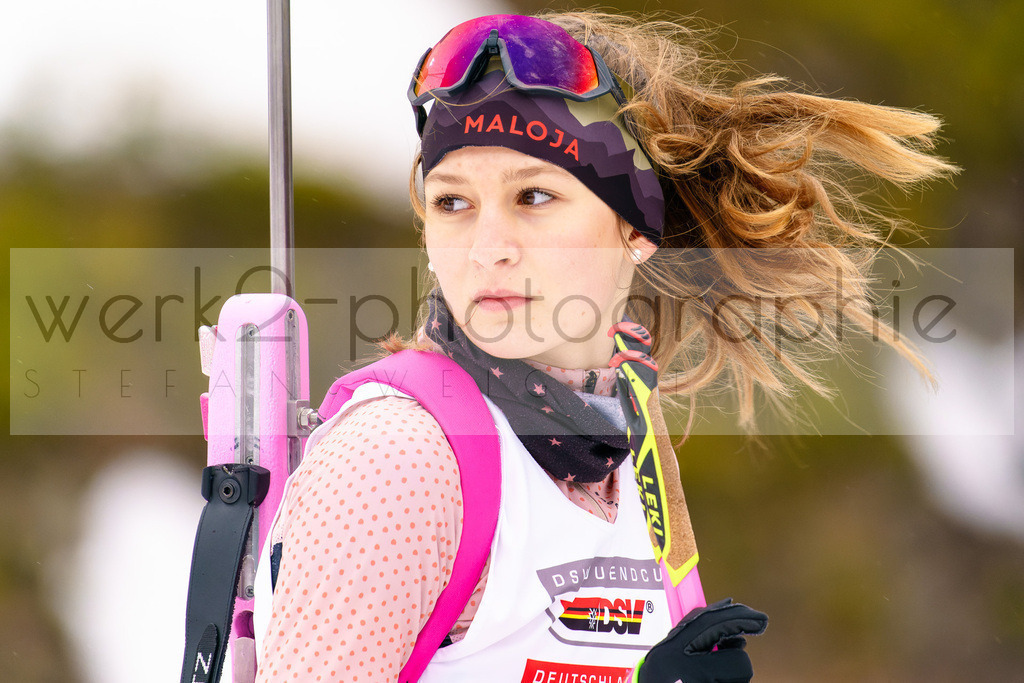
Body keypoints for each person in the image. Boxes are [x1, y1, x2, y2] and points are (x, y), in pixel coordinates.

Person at [256, 11, 954, 682]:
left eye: (533, 196)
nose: (488, 249)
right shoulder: (398, 459)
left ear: (634, 226)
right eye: (452, 201)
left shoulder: (632, 445)